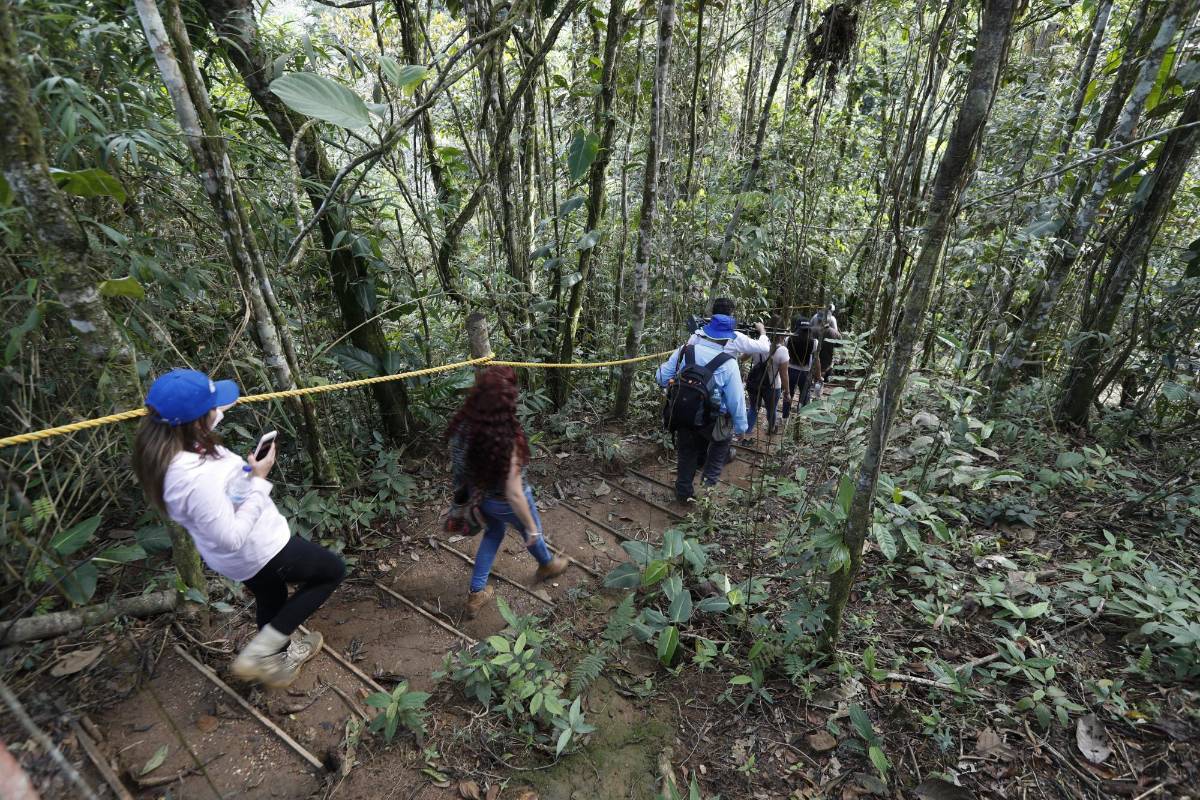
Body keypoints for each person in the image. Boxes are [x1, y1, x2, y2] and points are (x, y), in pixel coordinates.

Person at [132, 369, 344, 688]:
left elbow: (221, 499)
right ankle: (262, 652)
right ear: (197, 422)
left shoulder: (170, 446)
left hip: (237, 558)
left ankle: (275, 660)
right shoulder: (194, 476)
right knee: (331, 571)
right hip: (258, 548)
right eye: (213, 408)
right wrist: (258, 480)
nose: (219, 411)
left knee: (271, 593)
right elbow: (230, 536)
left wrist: (245, 473)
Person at [446, 366, 567, 618]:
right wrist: (531, 527)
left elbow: (459, 466)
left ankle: (476, 592)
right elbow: (514, 493)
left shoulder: (464, 424)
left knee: (494, 533)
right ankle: (547, 564)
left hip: (482, 498)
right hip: (505, 501)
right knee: (531, 532)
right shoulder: (505, 437)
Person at [657, 314, 749, 502]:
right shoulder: (729, 363)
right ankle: (707, 494)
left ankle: (683, 492)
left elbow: (661, 378)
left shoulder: (685, 350)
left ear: (706, 332)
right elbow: (736, 401)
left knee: (686, 453)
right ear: (727, 339)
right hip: (714, 421)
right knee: (718, 450)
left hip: (684, 414)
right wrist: (741, 428)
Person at [687, 297, 770, 357]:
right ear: (730, 315)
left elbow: (687, 353)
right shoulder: (735, 337)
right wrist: (762, 331)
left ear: (713, 313)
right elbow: (765, 348)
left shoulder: (697, 334)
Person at [745, 333, 792, 438]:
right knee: (771, 409)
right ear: (781, 336)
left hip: (755, 384)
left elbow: (743, 358)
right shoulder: (782, 350)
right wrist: (787, 392)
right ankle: (771, 428)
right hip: (773, 386)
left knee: (753, 408)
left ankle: (747, 433)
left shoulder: (757, 345)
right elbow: (784, 374)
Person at [784, 318, 823, 416]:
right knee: (804, 395)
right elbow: (817, 360)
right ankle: (801, 415)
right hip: (805, 373)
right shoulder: (814, 342)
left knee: (788, 393)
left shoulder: (788, 339)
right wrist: (818, 376)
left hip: (790, 371)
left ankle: (785, 415)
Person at [811, 305, 841, 382]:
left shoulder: (811, 330)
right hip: (824, 361)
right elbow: (838, 345)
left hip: (818, 361)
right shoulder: (815, 320)